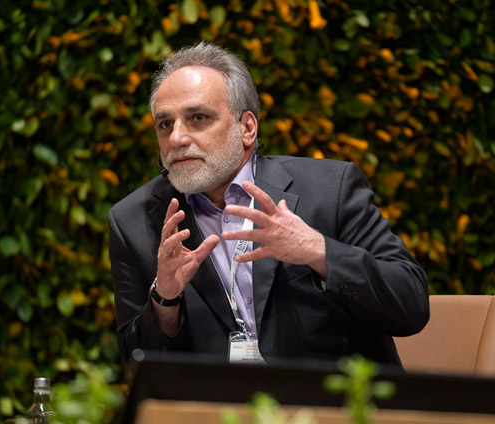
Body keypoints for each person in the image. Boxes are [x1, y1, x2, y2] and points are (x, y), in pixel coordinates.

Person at [108, 42, 429, 366]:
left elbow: (411, 304)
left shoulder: (330, 189)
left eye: (198, 118)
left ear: (246, 128)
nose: (177, 138)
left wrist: (319, 251)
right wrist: (164, 301)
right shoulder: (134, 221)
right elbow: (136, 364)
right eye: (165, 124)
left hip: (333, 405)